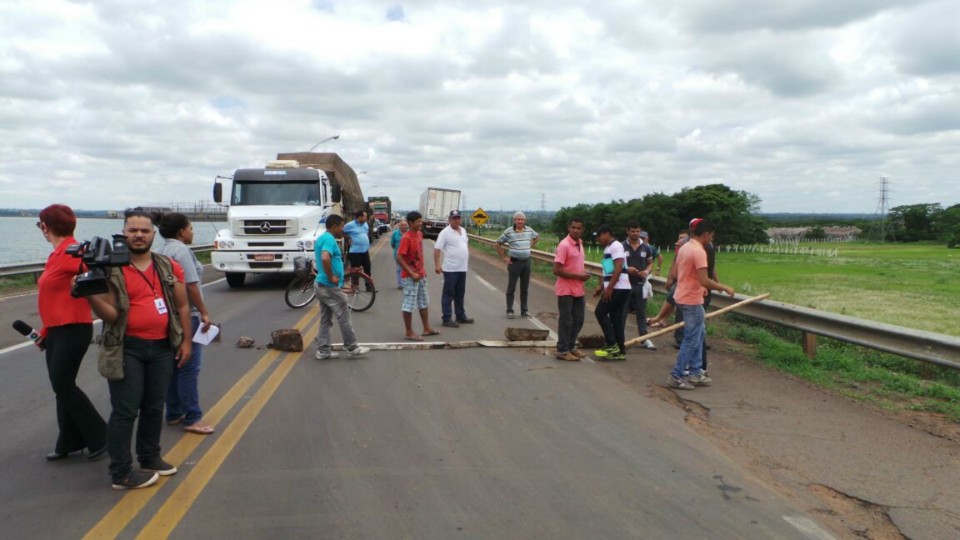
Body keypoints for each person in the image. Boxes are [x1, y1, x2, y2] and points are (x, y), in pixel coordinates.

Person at [83, 209, 192, 490]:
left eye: (145, 230)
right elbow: (110, 315)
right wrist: (91, 296)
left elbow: (182, 306)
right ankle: (121, 473)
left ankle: (149, 457)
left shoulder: (166, 266)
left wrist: (187, 341)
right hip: (126, 348)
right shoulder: (110, 267)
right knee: (126, 410)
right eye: (133, 230)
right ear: (124, 233)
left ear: (154, 234)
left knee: (155, 406)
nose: (139, 235)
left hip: (162, 348)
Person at [35, 204, 107, 462]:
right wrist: (44, 331)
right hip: (55, 330)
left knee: (63, 384)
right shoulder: (55, 255)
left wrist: (89, 266)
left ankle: (100, 436)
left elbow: (98, 271)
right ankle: (69, 440)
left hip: (73, 328)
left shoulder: (73, 252)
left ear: (45, 226)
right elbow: (55, 298)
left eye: (40, 225)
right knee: (60, 386)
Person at [156, 213, 215, 435]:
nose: (192, 231)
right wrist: (204, 312)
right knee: (190, 367)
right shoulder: (181, 251)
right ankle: (193, 417)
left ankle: (173, 412)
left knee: (173, 366)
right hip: (186, 314)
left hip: (167, 315)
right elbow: (190, 284)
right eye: (190, 227)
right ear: (181, 231)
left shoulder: (160, 251)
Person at [668, 219, 734, 390]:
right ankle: (676, 375)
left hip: (684, 295)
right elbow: (705, 279)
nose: (711, 239)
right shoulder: (699, 251)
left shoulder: (685, 247)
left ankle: (696, 372)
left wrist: (700, 287)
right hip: (691, 300)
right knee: (691, 338)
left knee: (699, 333)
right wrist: (724, 287)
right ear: (705, 234)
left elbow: (684, 274)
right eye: (711, 236)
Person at [313, 214, 371, 360]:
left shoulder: (322, 238)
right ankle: (352, 347)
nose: (343, 229)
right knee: (344, 317)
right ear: (334, 226)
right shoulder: (329, 239)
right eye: (341, 226)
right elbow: (325, 257)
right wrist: (332, 276)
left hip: (322, 284)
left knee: (326, 319)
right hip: (328, 285)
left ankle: (323, 351)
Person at [553, 217, 591, 361]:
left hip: (578, 289)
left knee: (579, 320)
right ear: (569, 228)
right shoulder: (564, 245)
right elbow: (556, 270)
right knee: (566, 320)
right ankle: (562, 350)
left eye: (579, 228)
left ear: (582, 230)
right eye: (573, 227)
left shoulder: (579, 243)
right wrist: (577, 276)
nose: (576, 230)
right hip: (566, 290)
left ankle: (570, 346)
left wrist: (582, 274)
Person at [397, 211, 438, 341]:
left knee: (423, 302)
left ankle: (427, 328)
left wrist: (420, 272)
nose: (421, 223)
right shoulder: (406, 238)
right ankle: (409, 332)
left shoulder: (419, 234)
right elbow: (399, 257)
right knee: (409, 304)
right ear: (410, 223)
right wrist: (411, 272)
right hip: (410, 276)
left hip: (421, 275)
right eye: (418, 222)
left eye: (421, 221)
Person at [592, 225, 631, 361]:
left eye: (599, 236)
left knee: (600, 312)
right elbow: (610, 271)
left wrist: (609, 289)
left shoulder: (616, 246)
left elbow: (619, 267)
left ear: (607, 233)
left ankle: (611, 344)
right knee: (616, 318)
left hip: (618, 288)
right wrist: (602, 287)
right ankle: (620, 351)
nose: (598, 240)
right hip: (617, 287)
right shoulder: (609, 248)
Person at [434, 210, 474, 328]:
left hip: (462, 268)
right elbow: (437, 249)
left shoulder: (463, 231)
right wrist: (437, 265)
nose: (456, 220)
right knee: (449, 293)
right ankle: (446, 318)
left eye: (458, 218)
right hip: (450, 269)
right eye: (454, 218)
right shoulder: (445, 232)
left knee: (460, 293)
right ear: (449, 220)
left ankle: (460, 315)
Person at [496, 211, 539, 318]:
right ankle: (509, 310)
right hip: (514, 263)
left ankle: (524, 311)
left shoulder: (529, 230)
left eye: (522, 219)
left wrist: (530, 245)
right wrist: (504, 257)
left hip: (526, 262)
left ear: (525, 221)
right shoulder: (509, 231)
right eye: (518, 219)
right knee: (511, 288)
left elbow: (537, 237)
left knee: (524, 289)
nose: (520, 221)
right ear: (514, 220)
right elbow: (497, 244)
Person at [622, 224, 657, 350]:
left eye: (637, 231)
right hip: (624, 285)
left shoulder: (646, 247)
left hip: (640, 284)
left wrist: (647, 271)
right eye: (633, 231)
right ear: (628, 231)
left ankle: (644, 338)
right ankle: (619, 338)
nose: (635, 233)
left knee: (641, 313)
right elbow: (615, 264)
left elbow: (650, 263)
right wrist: (627, 269)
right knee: (622, 313)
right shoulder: (621, 246)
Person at [647, 229, 689, 328]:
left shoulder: (689, 250)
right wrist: (670, 277)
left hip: (683, 280)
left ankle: (659, 319)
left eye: (684, 238)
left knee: (672, 299)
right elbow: (674, 263)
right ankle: (662, 319)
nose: (681, 240)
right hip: (676, 278)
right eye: (680, 238)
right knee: (671, 299)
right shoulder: (678, 249)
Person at [342, 210, 371, 290]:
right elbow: (342, 231)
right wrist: (348, 238)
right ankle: (355, 287)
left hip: (365, 251)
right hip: (355, 252)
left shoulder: (365, 224)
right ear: (359, 217)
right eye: (365, 217)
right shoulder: (349, 225)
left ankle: (369, 287)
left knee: (367, 269)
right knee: (355, 271)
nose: (366, 218)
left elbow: (366, 233)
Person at [390, 219, 409, 289]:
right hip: (398, 255)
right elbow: (392, 244)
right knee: (399, 269)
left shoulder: (410, 233)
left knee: (408, 269)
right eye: (402, 225)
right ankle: (400, 283)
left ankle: (407, 283)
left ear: (407, 226)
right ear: (399, 226)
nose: (404, 226)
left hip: (408, 255)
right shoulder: (395, 233)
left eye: (405, 225)